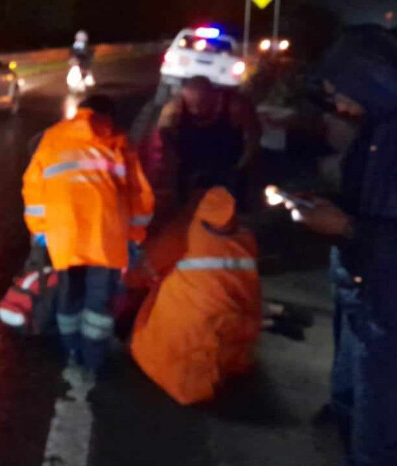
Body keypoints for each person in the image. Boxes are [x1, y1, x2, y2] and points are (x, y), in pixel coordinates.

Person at [290, 25, 397, 465]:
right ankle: (344, 421)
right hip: (362, 284)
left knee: (380, 426)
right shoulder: (377, 128)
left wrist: (348, 228)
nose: (336, 104)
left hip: (388, 303)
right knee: (355, 390)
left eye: (342, 92)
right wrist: (328, 206)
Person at [22, 95, 154, 377]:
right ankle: (93, 357)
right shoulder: (118, 140)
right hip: (106, 236)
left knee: (69, 292)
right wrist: (135, 234)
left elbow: (33, 187)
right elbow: (139, 194)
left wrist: (40, 230)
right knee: (99, 299)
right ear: (108, 115)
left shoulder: (52, 137)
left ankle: (71, 349)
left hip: (64, 236)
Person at [127, 187, 261, 405]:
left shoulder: (187, 233)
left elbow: (149, 267)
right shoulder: (246, 240)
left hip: (189, 340)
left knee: (161, 288)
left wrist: (127, 281)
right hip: (232, 336)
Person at [157, 76, 261, 206]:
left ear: (214, 95)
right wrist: (174, 158)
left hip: (229, 164)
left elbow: (254, 133)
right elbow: (163, 133)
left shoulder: (236, 106)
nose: (197, 110)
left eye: (202, 104)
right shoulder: (174, 108)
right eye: (191, 106)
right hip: (190, 164)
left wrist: (243, 162)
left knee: (232, 206)